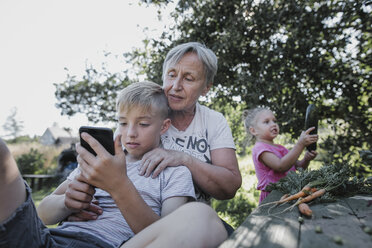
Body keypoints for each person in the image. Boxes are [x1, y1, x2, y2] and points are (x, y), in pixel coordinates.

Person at [68, 42, 242, 247]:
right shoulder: (140, 116)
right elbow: (104, 175)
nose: (176, 85)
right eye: (171, 74)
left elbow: (229, 186)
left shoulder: (213, 121)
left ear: (206, 88)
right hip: (127, 224)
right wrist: (73, 203)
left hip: (187, 222)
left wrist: (183, 159)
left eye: (188, 78)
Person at [0, 81, 197, 247]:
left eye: (143, 124)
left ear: (164, 126)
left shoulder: (175, 173)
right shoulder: (99, 161)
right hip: (50, 240)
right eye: (123, 123)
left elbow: (168, 238)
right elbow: (42, 214)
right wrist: (67, 203)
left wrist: (119, 186)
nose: (130, 133)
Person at [243, 107, 318, 203]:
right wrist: (300, 144)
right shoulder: (260, 149)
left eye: (274, 121)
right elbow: (280, 166)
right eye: (266, 122)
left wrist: (306, 159)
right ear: (253, 131)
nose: (273, 124)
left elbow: (299, 167)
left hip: (289, 192)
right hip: (273, 197)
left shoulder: (281, 148)